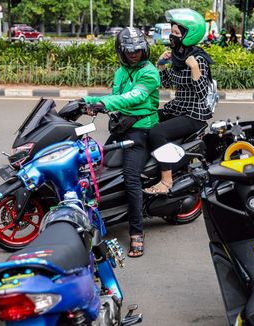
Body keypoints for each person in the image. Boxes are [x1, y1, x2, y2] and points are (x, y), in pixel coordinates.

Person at [82, 27, 160, 258]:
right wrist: (83, 101)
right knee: (96, 166)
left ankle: (137, 232)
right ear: (121, 52)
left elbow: (132, 97)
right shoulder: (120, 72)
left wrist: (102, 104)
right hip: (121, 127)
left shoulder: (149, 72)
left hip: (140, 130)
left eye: (138, 49)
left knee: (130, 177)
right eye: (130, 50)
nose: (135, 53)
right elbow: (115, 97)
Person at [144, 8, 216, 195]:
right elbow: (167, 82)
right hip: (178, 108)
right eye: (172, 32)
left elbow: (201, 94)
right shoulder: (177, 54)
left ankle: (166, 181)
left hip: (194, 113)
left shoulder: (198, 59)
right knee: (145, 118)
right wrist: (160, 64)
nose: (172, 36)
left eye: (176, 33)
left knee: (157, 132)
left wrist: (194, 69)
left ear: (189, 34)